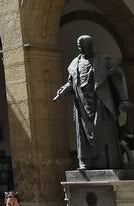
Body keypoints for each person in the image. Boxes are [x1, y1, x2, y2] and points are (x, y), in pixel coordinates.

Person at [53, 34, 129, 170]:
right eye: (79, 47)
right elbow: (71, 82)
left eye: (84, 47)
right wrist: (64, 89)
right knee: (83, 134)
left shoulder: (103, 60)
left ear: (90, 46)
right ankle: (86, 162)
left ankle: (109, 163)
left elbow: (115, 78)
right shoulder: (74, 64)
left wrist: (123, 99)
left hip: (100, 102)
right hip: (82, 105)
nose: (81, 49)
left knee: (104, 133)